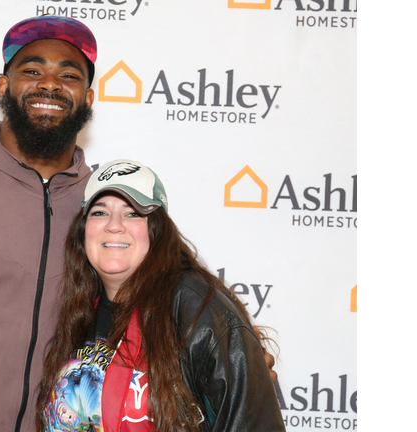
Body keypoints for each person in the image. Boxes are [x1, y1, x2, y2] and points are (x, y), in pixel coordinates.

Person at [0, 16, 276, 432]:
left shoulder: (101, 208)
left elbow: (156, 295)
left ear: (88, 99)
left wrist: (228, 351)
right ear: (3, 86)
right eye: (32, 70)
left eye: (69, 75)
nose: (50, 83)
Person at [36, 160, 285, 432]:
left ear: (157, 229)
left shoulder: (197, 308)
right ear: (83, 230)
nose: (114, 225)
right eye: (99, 212)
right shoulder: (80, 309)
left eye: (133, 213)